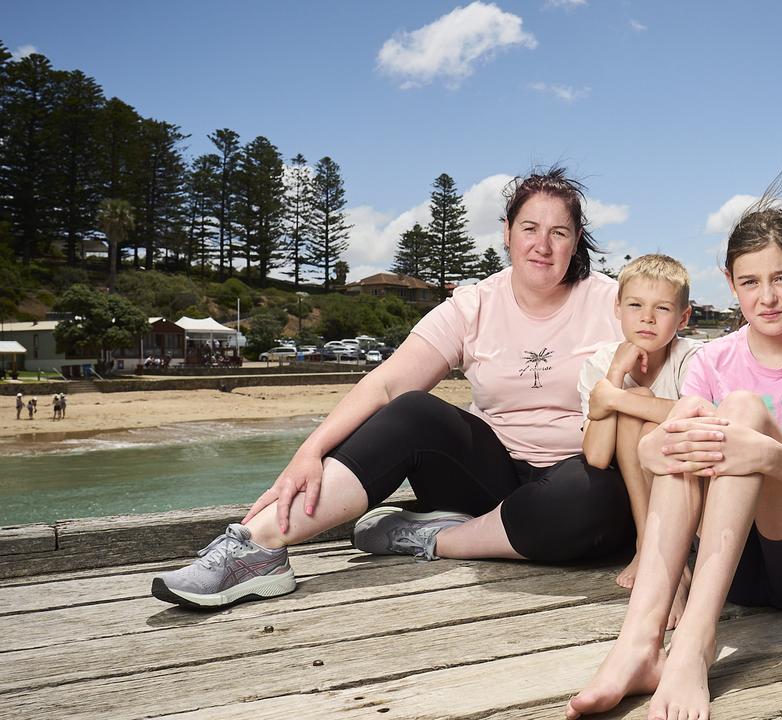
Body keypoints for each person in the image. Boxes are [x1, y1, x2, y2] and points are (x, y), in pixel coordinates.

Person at [152, 168, 633, 610]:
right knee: (414, 410)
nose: (542, 245)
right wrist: (309, 451)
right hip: (486, 479)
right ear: (507, 234)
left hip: (578, 481)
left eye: (559, 233)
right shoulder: (475, 304)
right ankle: (255, 547)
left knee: (596, 496)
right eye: (530, 228)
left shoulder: (612, 302)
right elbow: (384, 386)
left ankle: (434, 538)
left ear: (576, 244)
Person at [567, 204, 782, 720]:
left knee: (741, 410)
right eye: (750, 281)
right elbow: (663, 449)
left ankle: (692, 647)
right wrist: (656, 447)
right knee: (700, 418)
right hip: (732, 565)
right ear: (730, 284)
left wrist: (765, 454)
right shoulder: (714, 360)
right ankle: (639, 644)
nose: (767, 296)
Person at [577, 254, 701, 601]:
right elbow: (597, 456)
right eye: (635, 305)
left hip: (687, 486)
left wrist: (614, 398)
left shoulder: (691, 357)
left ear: (683, 317)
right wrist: (615, 376)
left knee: (645, 417)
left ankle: (663, 551)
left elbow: (697, 414)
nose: (647, 317)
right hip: (629, 493)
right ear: (617, 308)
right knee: (640, 398)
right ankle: (648, 543)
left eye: (662, 309)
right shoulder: (601, 363)